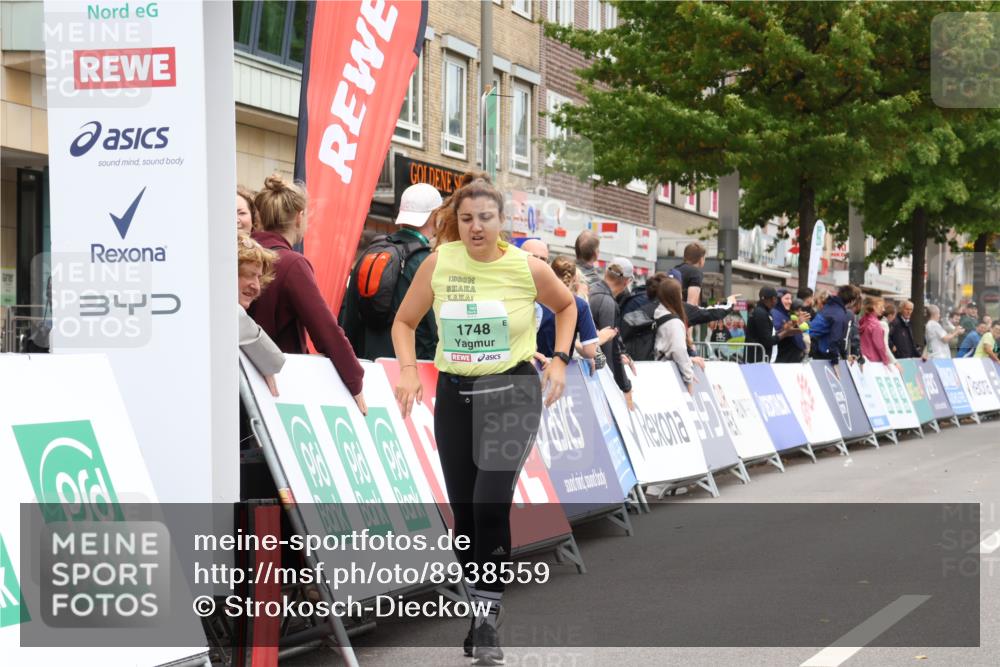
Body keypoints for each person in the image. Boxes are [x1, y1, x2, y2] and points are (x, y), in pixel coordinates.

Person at [391, 178, 575, 665]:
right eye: (467, 218)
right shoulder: (439, 261)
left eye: (486, 218)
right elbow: (404, 322)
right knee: (467, 516)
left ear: (501, 223)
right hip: (456, 397)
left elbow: (567, 306)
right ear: (457, 220)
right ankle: (479, 613)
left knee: (491, 504)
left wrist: (558, 360)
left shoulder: (525, 266)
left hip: (511, 394)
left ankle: (488, 620)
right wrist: (409, 371)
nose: (476, 227)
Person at [248, 174, 366, 413]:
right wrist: (355, 382)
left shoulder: (241, 254)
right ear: (299, 217)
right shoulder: (292, 264)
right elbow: (326, 330)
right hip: (277, 386)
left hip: (237, 378)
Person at [342, 183, 442, 361]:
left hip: (370, 367)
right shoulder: (428, 262)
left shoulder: (370, 253)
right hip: (412, 370)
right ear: (435, 216)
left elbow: (349, 320)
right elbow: (437, 330)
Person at [542, 255, 614, 365]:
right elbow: (590, 351)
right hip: (562, 368)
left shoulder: (538, 298)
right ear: (575, 278)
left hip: (534, 367)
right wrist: (600, 339)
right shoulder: (580, 305)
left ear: (551, 273)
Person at [238, 234, 284, 396]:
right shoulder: (227, 314)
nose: (256, 286)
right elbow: (274, 361)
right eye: (249, 274)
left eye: (258, 277)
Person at [590, 257, 636, 407]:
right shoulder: (607, 302)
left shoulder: (591, 291)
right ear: (627, 281)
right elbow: (611, 352)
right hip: (595, 377)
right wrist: (626, 386)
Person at [653, 278, 696, 391]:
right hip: (667, 377)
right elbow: (679, 350)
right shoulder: (674, 322)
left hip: (654, 368)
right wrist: (689, 377)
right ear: (675, 296)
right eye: (680, 293)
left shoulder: (657, 313)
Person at [809, 284, 861, 365]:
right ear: (852, 301)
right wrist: (835, 361)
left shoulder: (830, 306)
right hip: (812, 348)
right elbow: (835, 338)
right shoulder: (839, 313)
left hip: (809, 343)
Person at [745, 286, 798, 363]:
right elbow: (767, 341)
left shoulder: (764, 312)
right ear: (773, 299)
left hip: (762, 359)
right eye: (776, 299)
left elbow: (768, 334)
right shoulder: (760, 313)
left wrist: (784, 330)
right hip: (758, 361)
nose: (776, 301)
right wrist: (786, 333)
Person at [770, 289, 805, 363]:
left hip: (791, 358)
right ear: (778, 299)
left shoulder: (786, 314)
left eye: (791, 299)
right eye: (787, 298)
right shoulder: (775, 313)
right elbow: (777, 333)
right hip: (783, 358)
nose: (790, 302)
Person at [860, 296, 895, 367]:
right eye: (881, 307)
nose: (883, 309)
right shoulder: (876, 325)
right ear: (873, 307)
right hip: (874, 362)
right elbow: (880, 346)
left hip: (863, 359)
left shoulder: (863, 321)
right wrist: (886, 361)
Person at [671, 242, 707, 306]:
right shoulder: (696, 273)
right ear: (701, 259)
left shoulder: (675, 269)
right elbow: (691, 304)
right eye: (704, 258)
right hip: (680, 313)